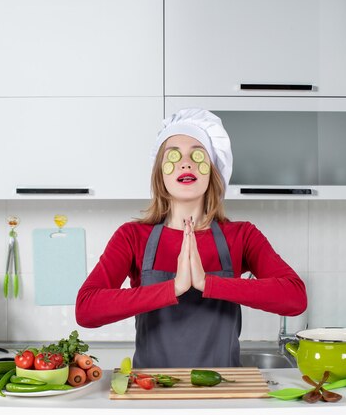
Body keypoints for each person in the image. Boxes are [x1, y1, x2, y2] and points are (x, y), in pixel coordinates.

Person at [75, 108, 307, 368]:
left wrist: (208, 283)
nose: (186, 163)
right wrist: (173, 288)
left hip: (225, 391)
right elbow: (86, 309)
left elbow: (295, 298)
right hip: (153, 393)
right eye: (173, 156)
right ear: (160, 174)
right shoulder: (132, 236)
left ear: (212, 171)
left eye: (197, 155)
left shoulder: (242, 235)